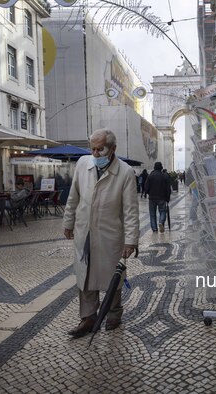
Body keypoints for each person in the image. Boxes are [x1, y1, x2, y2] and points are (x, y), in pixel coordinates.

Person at [63, 129, 139, 338]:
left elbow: (130, 210)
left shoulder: (125, 172)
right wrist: (68, 222)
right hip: (84, 231)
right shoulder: (82, 164)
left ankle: (113, 314)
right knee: (85, 275)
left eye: (100, 149)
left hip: (110, 234)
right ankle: (88, 317)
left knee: (111, 277)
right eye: (93, 149)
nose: (95, 153)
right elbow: (73, 196)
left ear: (113, 149)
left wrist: (131, 241)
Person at [144, 161, 170, 233]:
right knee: (163, 211)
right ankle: (161, 221)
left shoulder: (150, 176)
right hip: (162, 197)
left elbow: (146, 187)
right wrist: (168, 198)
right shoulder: (164, 176)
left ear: (154, 167)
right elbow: (168, 188)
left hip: (152, 198)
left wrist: (149, 193)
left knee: (152, 214)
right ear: (161, 168)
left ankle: (154, 229)